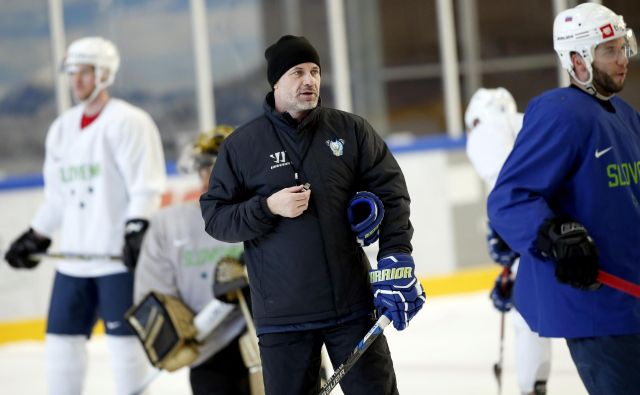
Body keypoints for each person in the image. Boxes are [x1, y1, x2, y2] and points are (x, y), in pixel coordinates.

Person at [200, 35, 425, 395]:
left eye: (315, 71)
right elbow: (216, 218)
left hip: (351, 308)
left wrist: (395, 255)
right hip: (282, 318)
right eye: (298, 72)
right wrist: (267, 207)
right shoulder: (242, 147)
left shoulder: (350, 131)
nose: (310, 80)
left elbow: (392, 193)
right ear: (276, 82)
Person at [487, 3, 640, 394]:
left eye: (623, 47)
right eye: (609, 51)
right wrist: (553, 233)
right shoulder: (560, 113)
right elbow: (509, 197)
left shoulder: (624, 115)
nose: (622, 59)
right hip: (601, 309)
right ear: (577, 59)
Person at [3, 36, 166, 394]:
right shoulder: (61, 129)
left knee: (125, 348)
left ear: (105, 74)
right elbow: (58, 196)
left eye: (86, 72)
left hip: (115, 262)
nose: (77, 81)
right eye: (72, 73)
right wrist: (37, 233)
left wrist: (136, 227)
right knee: (60, 345)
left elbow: (146, 186)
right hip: (74, 263)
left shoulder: (129, 122)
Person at [134, 125, 251, 395]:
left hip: (270, 341)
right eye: (204, 167)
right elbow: (152, 294)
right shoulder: (169, 224)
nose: (208, 176)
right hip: (209, 352)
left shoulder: (266, 211)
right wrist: (174, 333)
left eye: (217, 166)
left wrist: (255, 284)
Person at [465, 87, 551, 395]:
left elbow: (507, 190)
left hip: (538, 237)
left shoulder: (483, 132)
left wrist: (506, 241)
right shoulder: (528, 122)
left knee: (526, 313)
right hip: (560, 228)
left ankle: (533, 387)